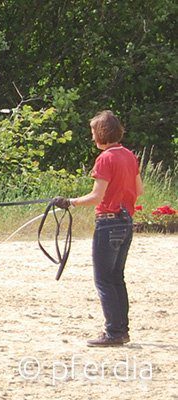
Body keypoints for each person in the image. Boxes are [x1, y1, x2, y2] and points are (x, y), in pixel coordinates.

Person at [53, 110, 144, 347]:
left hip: (108, 222)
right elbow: (139, 190)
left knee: (103, 279)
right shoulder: (129, 156)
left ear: (102, 133)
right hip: (126, 222)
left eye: (94, 132)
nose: (92, 137)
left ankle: (113, 332)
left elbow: (96, 196)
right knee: (117, 278)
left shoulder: (105, 159)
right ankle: (120, 330)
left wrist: (70, 202)